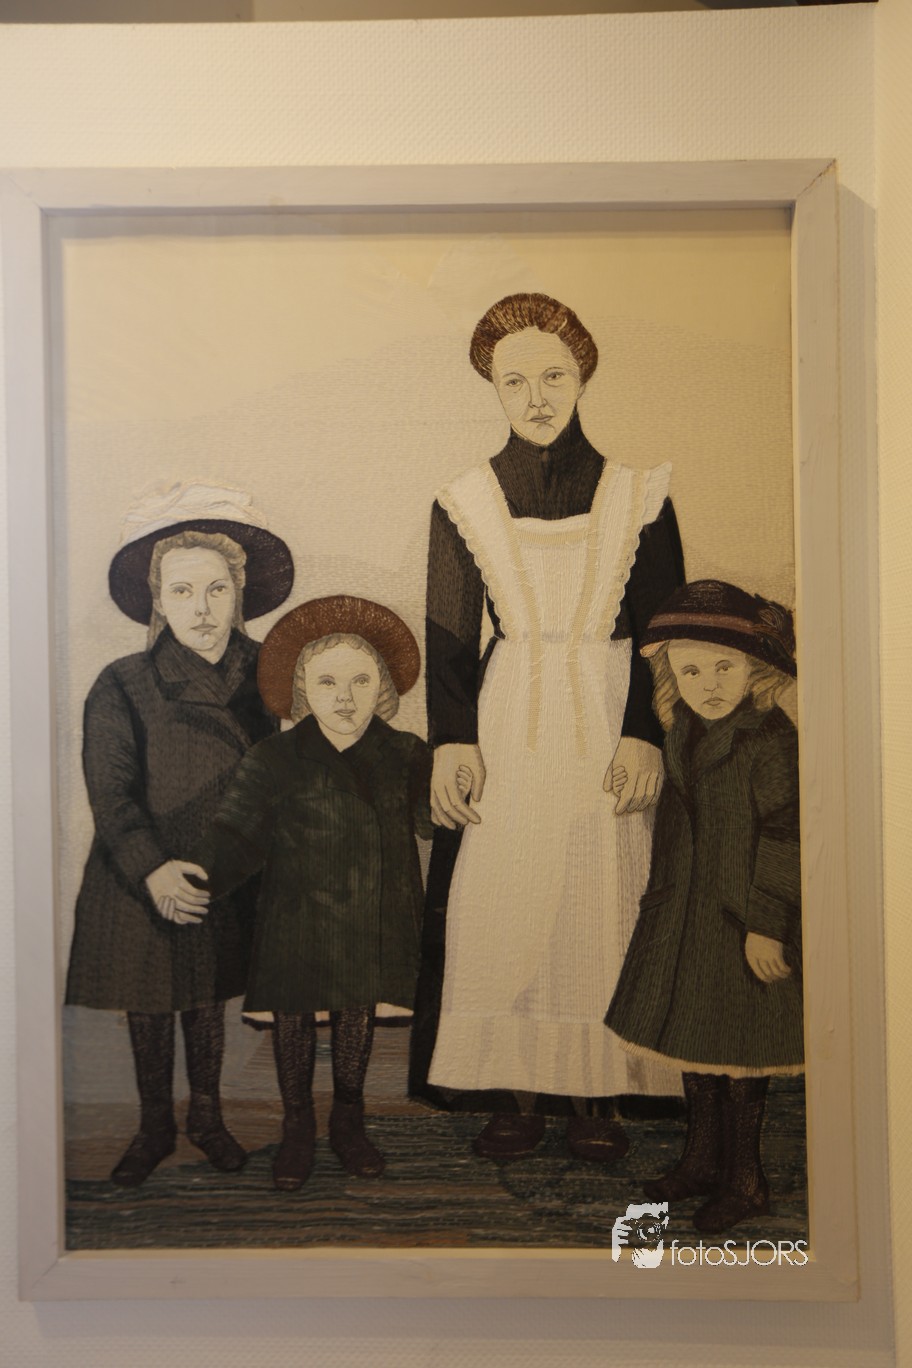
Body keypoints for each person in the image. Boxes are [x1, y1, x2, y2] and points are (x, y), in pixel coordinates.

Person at [409, 292, 686, 1162]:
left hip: (607, 718)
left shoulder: (641, 495)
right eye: (514, 381)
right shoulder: (463, 500)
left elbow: (664, 632)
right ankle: (513, 1090)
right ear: (492, 387)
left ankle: (596, 1096)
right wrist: (453, 741)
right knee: (505, 895)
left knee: (602, 896)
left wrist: (646, 733)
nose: (536, 398)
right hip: (510, 719)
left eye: (554, 376)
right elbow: (450, 637)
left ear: (583, 377)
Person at [65, 483, 294, 1187]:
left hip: (229, 866)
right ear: (159, 601)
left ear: (240, 593)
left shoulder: (271, 674)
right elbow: (111, 793)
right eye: (183, 591)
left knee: (207, 996)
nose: (202, 608)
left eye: (217, 590)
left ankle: (207, 1118)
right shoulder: (122, 683)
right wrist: (152, 869)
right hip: (142, 870)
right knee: (153, 997)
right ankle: (154, 1124)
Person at [197, 596, 432, 1191]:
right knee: (294, 1017)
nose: (345, 697)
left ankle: (348, 1121)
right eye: (328, 682)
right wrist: (197, 879)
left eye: (360, 681)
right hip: (295, 914)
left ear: (383, 686)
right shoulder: (274, 757)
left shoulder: (406, 753)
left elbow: (435, 822)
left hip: (373, 915)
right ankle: (297, 1126)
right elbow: (235, 834)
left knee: (357, 1012)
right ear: (302, 686)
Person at [606, 579, 803, 1233]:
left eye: (724, 667)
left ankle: (745, 1179)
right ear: (671, 675)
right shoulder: (681, 730)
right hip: (686, 916)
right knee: (696, 1045)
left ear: (756, 669)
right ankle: (699, 1161)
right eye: (691, 670)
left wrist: (766, 926)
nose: (709, 683)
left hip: (744, 922)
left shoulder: (769, 738)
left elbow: (785, 836)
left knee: (741, 1057)